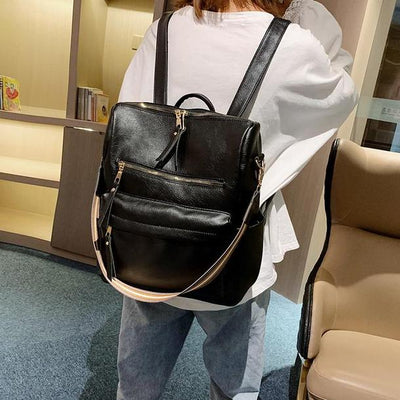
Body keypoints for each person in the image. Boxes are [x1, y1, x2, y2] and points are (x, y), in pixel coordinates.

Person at [116, 1, 358, 399]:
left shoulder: (163, 32)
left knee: (137, 381)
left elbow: (129, 125)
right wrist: (302, 11)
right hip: (235, 249)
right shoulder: (292, 45)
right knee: (235, 385)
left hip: (152, 236)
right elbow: (342, 91)